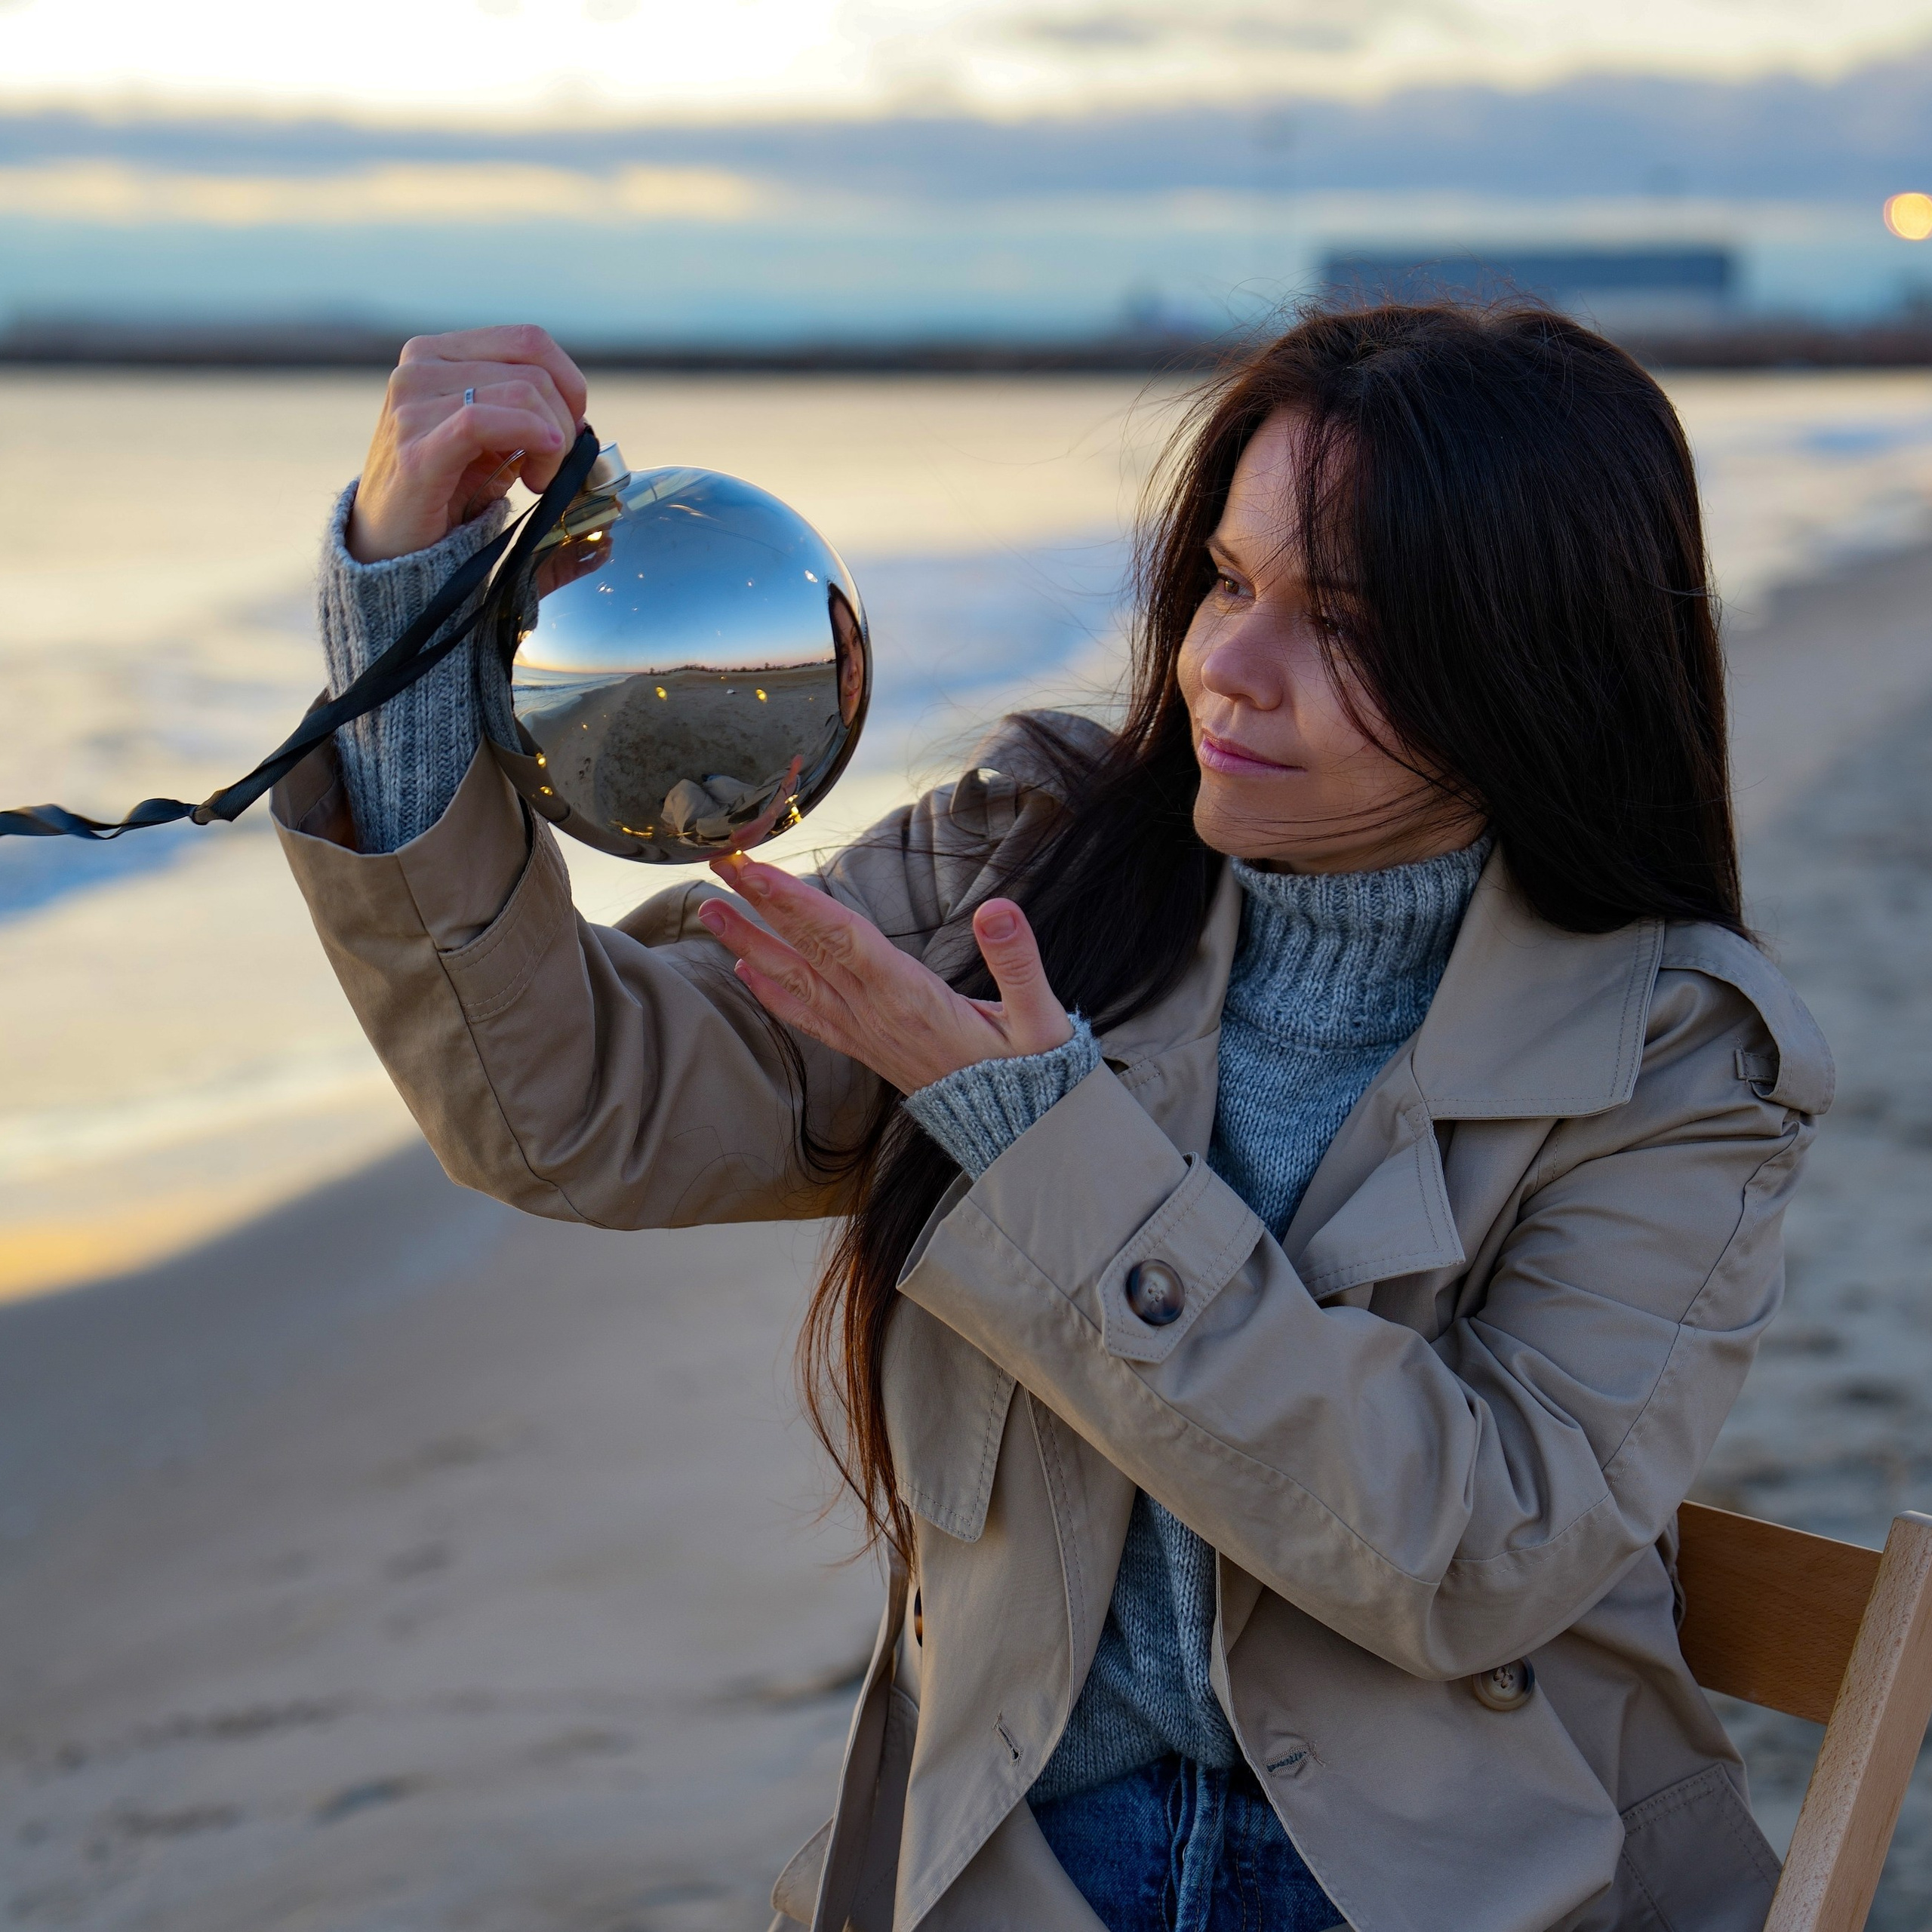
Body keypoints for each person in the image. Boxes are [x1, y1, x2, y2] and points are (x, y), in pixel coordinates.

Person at [275, 311, 1831, 1932]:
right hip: (1016, 1856)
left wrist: (1024, 1132)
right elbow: (579, 1108)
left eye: (1344, 623)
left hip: (1457, 1883)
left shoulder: (1676, 1053)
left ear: (1532, 659)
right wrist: (409, 614)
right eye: (1227, 580)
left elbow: (1469, 1552)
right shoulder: (1035, 865)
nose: (1224, 662)